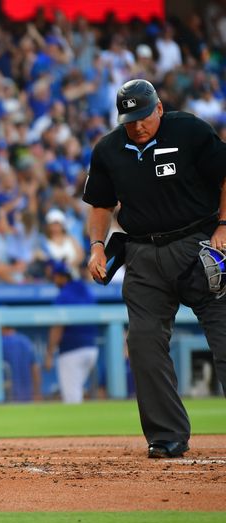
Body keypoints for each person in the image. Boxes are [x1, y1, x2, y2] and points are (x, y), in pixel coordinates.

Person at [84, 79, 226, 459]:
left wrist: (224, 226)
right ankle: (166, 435)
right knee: (143, 342)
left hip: (198, 246)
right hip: (143, 254)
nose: (138, 125)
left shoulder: (190, 130)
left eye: (144, 116)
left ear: (159, 108)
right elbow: (99, 204)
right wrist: (97, 246)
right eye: (130, 119)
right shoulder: (110, 149)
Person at [43, 260, 98, 403]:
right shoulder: (84, 289)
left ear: (62, 277)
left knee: (72, 399)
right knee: (77, 391)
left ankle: (82, 424)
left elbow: (57, 326)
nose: (54, 280)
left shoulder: (63, 295)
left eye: (56, 276)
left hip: (72, 351)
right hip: (92, 349)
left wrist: (49, 353)